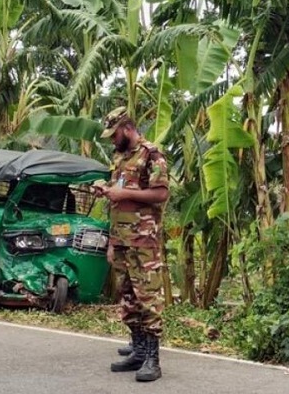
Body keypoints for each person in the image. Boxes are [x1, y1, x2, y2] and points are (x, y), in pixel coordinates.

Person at [94, 107, 169, 382]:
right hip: (122, 238)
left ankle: (153, 359)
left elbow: (161, 193)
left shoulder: (152, 154)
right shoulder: (121, 157)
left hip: (143, 240)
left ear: (126, 128)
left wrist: (122, 192)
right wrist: (108, 192)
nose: (112, 141)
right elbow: (119, 199)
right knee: (129, 295)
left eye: (114, 135)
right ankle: (138, 350)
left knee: (148, 296)